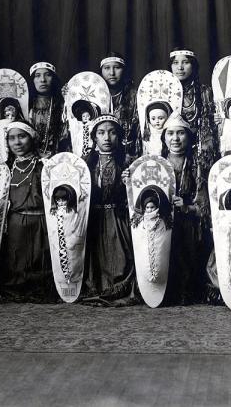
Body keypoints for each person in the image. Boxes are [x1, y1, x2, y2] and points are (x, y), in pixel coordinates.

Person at [83, 115, 139, 305]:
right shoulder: (86, 163)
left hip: (117, 217)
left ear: (119, 136)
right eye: (101, 132)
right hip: (95, 218)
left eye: (112, 132)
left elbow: (138, 194)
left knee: (122, 259)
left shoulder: (128, 161)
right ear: (94, 137)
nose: (107, 137)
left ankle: (119, 286)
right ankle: (97, 286)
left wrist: (129, 182)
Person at [0, 121, 54, 301]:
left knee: (40, 258)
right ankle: (17, 286)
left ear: (32, 138)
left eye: (22, 136)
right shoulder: (4, 169)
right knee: (16, 259)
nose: (17, 143)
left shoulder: (44, 166)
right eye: (12, 138)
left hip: (40, 221)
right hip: (15, 223)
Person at [160, 110, 210, 304]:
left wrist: (187, 207)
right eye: (170, 134)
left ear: (189, 137)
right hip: (163, 223)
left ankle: (189, 291)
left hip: (190, 224)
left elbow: (204, 203)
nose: (175, 139)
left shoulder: (198, 165)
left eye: (180, 133)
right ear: (164, 138)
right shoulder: (157, 164)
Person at [169, 48, 218, 175]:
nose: (180, 67)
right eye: (175, 63)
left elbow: (208, 127)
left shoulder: (204, 92)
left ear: (193, 65)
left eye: (185, 62)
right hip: (171, 149)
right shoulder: (163, 92)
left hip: (198, 151)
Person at [100, 52, 141, 161]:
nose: (112, 73)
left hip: (128, 153)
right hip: (100, 154)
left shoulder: (135, 95)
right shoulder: (94, 95)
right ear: (101, 71)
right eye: (107, 68)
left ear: (124, 70)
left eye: (117, 68)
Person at [27, 62, 66, 158]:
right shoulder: (25, 106)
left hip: (57, 157)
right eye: (37, 76)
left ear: (53, 79)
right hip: (29, 156)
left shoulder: (62, 105)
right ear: (32, 80)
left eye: (48, 75)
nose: (43, 80)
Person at [49, 185, 82, 285]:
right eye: (58, 200)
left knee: (71, 259)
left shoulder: (72, 212)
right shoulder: (53, 212)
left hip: (69, 239)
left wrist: (73, 238)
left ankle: (71, 277)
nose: (61, 202)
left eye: (63, 200)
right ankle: (63, 278)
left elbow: (75, 226)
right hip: (58, 240)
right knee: (60, 258)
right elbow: (51, 226)